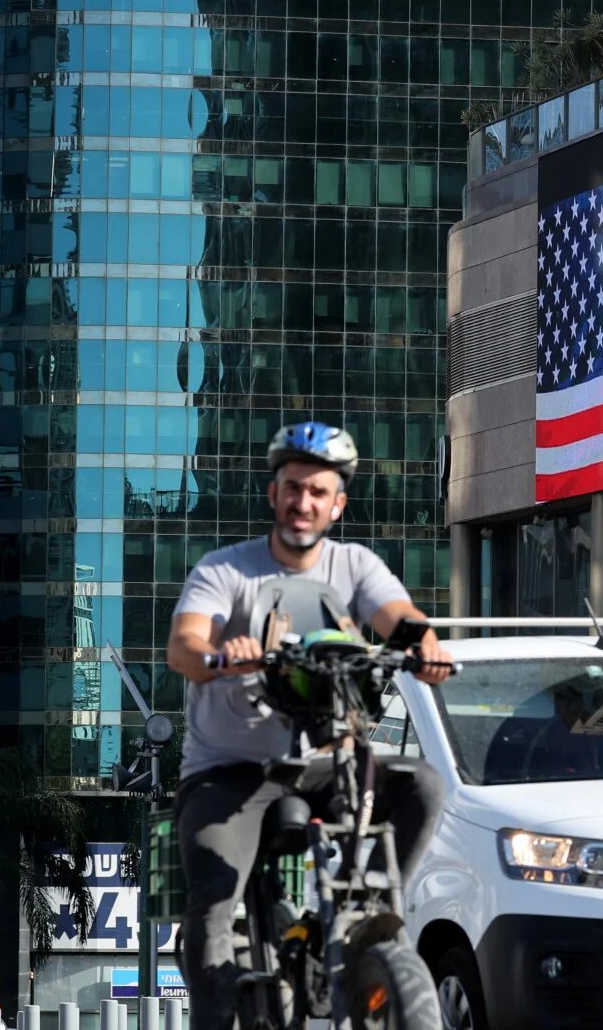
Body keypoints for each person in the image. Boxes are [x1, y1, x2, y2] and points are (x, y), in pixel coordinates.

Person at [165, 421, 451, 1030]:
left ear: (337, 504)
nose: (303, 502)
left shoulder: (355, 565)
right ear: (274, 493)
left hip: (326, 764)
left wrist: (425, 645)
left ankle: (349, 922)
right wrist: (219, 656)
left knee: (423, 784)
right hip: (230, 774)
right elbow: (186, 644)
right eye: (293, 488)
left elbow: (399, 617)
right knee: (213, 911)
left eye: (318, 492)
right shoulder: (225, 571)